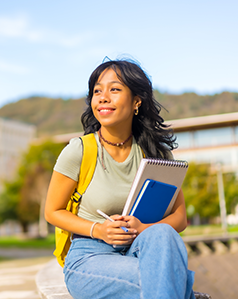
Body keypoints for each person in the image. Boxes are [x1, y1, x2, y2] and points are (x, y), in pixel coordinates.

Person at [45, 58, 195, 299]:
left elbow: (180, 217)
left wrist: (144, 229)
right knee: (169, 278)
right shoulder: (79, 151)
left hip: (141, 250)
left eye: (114, 89)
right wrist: (99, 230)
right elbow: (52, 212)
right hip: (90, 257)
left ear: (137, 101)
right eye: (97, 91)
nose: (103, 97)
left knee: (162, 236)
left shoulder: (156, 153)